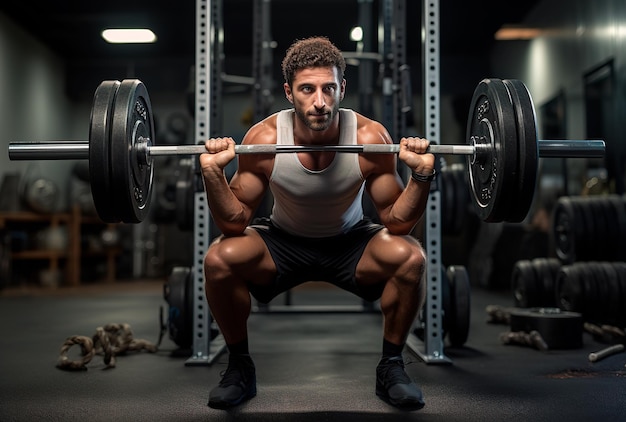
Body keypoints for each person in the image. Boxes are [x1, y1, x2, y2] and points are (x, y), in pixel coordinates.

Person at [199, 36, 435, 411]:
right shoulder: (264, 139)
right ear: (289, 93)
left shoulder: (369, 137)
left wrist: (421, 177)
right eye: (307, 89)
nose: (320, 101)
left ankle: (391, 366)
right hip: (282, 241)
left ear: (342, 87)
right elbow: (235, 222)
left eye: (328, 88)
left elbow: (396, 220)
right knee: (219, 258)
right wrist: (213, 175)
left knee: (412, 257)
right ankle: (240, 368)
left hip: (350, 241)